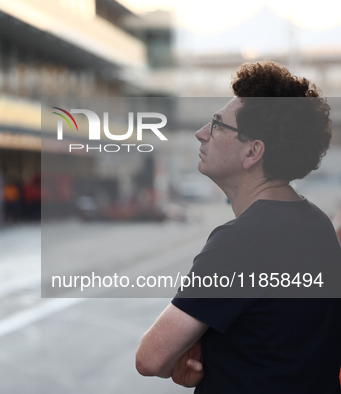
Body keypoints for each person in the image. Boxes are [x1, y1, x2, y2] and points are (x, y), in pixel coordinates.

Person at [135, 61, 341, 392]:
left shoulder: (241, 242)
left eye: (217, 125)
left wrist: (185, 355)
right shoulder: (319, 225)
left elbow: (150, 358)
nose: (201, 132)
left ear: (252, 151)